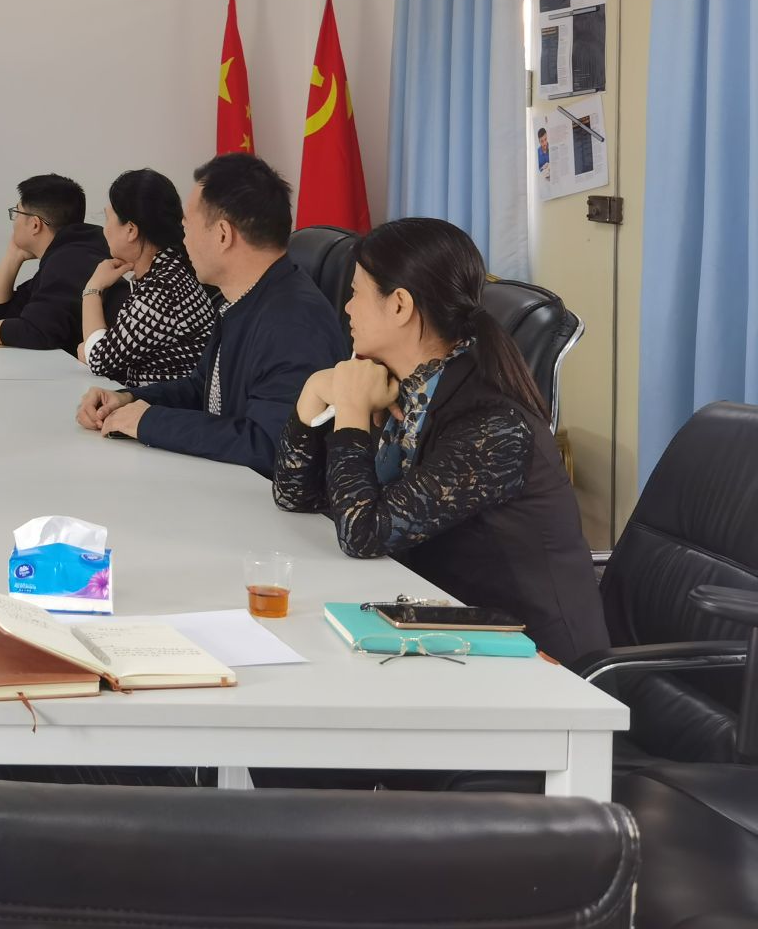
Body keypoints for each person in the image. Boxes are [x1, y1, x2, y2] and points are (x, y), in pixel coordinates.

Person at [275, 217, 608, 664]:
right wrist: (314, 393)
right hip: (443, 628)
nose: (347, 308)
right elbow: (296, 495)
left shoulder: (492, 424)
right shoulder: (405, 385)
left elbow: (362, 533)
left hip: (534, 659)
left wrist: (351, 413)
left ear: (400, 305)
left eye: (355, 293)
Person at [77, 154, 345, 475]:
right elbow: (201, 388)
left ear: (222, 234)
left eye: (188, 225)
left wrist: (149, 421)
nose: (183, 237)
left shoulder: (293, 322)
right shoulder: (244, 298)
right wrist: (128, 399)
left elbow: (269, 445)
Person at [0, 174, 110, 354]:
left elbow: (36, 332)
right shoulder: (74, 252)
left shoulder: (68, 262)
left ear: (35, 225)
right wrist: (13, 257)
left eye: (17, 213)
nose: (14, 222)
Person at [78, 168, 217, 388]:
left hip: (166, 406)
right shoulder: (170, 270)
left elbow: (98, 358)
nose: (104, 230)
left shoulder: (163, 287)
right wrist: (91, 349)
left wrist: (93, 289)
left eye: (108, 219)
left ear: (131, 230)